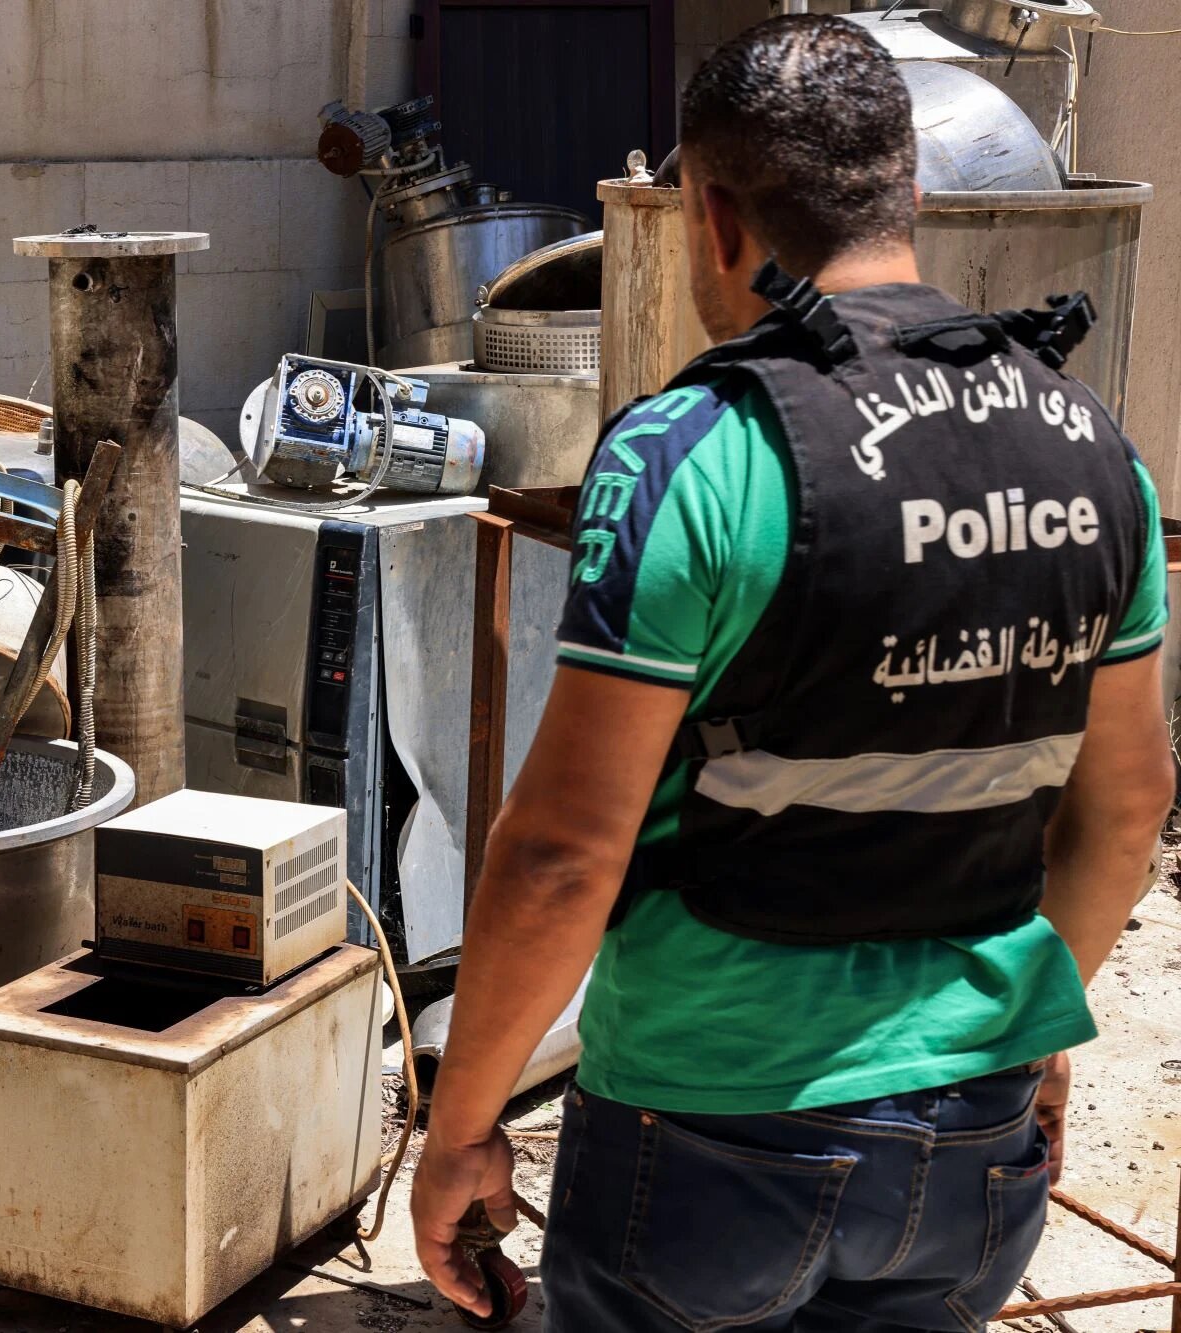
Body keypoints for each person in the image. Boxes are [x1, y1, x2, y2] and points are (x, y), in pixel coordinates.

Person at [410, 15, 1174, 1331]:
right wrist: (1032, 1030)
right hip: (972, 1159)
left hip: (705, 1141)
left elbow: (561, 853)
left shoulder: (693, 452)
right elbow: (1125, 811)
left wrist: (462, 1124)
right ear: (911, 192)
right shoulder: (1094, 448)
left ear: (710, 217)